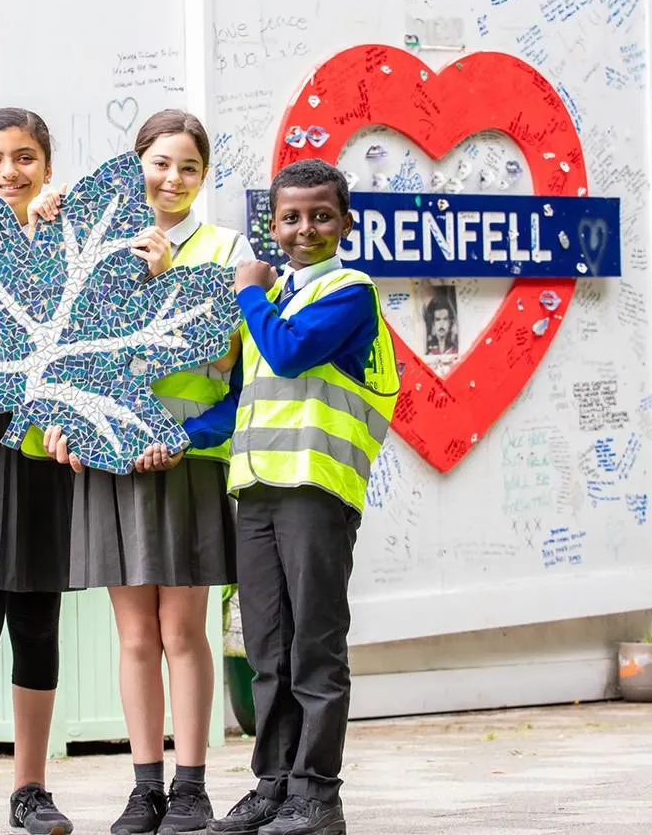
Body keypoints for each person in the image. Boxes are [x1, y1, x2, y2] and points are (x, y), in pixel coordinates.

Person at [0, 107, 165, 835]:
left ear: (47, 167)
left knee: (37, 622)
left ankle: (30, 788)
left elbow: (114, 312)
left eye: (24, 158)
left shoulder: (65, 242)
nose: (8, 173)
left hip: (46, 458)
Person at [41, 109, 251, 835]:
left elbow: (226, 364)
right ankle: (145, 786)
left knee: (183, 628)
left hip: (186, 459)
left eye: (189, 167)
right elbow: (64, 346)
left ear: (204, 175)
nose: (173, 179)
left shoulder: (226, 249)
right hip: (111, 457)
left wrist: (169, 283)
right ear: (137, 165)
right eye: (160, 163)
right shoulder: (98, 242)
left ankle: (191, 786)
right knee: (134, 634)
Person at [207, 159, 399, 835]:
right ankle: (273, 782)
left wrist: (250, 294)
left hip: (315, 491)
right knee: (268, 646)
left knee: (315, 643)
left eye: (321, 215)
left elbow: (289, 354)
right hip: (257, 490)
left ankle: (317, 793)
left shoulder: (350, 293)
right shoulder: (273, 302)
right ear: (274, 223)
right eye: (291, 216)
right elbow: (243, 401)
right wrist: (170, 436)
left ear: (345, 223)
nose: (305, 228)